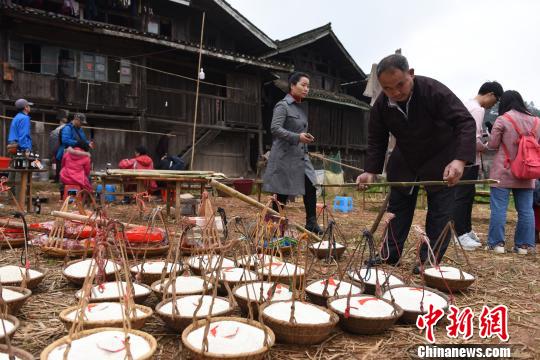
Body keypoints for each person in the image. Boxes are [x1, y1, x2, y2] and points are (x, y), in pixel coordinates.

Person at [356, 54, 476, 271]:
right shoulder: (382, 105)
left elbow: (465, 122)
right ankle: (389, 255)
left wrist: (459, 160)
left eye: (400, 84)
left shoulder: (433, 90)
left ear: (411, 74)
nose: (395, 92)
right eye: (387, 88)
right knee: (397, 210)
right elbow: (376, 140)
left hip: (441, 159)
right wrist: (370, 171)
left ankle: (428, 261)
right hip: (406, 160)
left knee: (440, 212)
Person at [262, 71, 322, 234]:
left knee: (310, 186)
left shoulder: (300, 108)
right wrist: (298, 137)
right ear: (292, 85)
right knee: (281, 193)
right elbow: (275, 128)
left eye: (308, 86)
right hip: (285, 157)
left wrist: (305, 138)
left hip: (301, 156)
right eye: (303, 85)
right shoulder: (283, 105)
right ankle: (273, 227)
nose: (306, 89)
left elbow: (298, 131)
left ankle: (311, 222)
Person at [486, 90, 539, 255]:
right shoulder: (537, 121)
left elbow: (493, 145)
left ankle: (497, 244)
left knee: (499, 208)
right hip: (528, 171)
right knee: (526, 210)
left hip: (504, 170)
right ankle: (524, 246)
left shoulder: (503, 119)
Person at [454, 81, 503, 250]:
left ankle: (465, 230)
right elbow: (472, 139)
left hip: (460, 157)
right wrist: (486, 146)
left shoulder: (468, 104)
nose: (493, 105)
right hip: (467, 159)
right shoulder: (477, 109)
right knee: (463, 197)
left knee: (465, 195)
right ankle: (460, 234)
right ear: (489, 94)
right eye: (495, 101)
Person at [56, 113, 91, 198]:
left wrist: (87, 143)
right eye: (81, 122)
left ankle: (76, 194)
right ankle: (63, 194)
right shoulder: (67, 128)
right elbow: (65, 141)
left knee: (69, 174)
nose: (82, 124)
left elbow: (83, 140)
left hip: (77, 154)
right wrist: (78, 144)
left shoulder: (80, 129)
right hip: (65, 153)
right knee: (63, 173)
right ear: (76, 120)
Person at [49, 114, 68, 183]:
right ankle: (62, 179)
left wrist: (53, 151)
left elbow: (54, 140)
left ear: (60, 122)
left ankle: (58, 178)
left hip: (60, 149)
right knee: (65, 165)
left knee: (59, 164)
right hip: (67, 149)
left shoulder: (57, 130)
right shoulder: (68, 128)